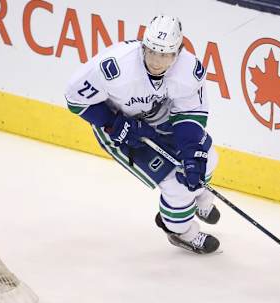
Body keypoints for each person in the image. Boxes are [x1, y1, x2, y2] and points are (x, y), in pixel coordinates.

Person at [64, 15, 220, 254]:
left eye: (166, 55)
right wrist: (113, 123)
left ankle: (192, 200)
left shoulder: (189, 69)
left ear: (178, 53)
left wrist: (190, 152)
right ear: (143, 47)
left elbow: (190, 112)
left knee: (206, 158)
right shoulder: (114, 67)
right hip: (121, 127)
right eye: (152, 52)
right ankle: (180, 231)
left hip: (162, 118)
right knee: (175, 185)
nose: (157, 62)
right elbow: (75, 99)